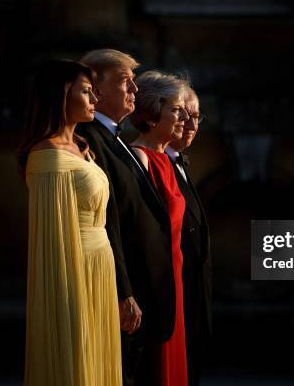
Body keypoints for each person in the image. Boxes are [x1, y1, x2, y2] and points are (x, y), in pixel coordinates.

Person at [17, 60, 122, 386]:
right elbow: (53, 243)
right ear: (62, 95)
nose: (95, 100)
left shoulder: (81, 149)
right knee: (76, 361)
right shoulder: (49, 157)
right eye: (87, 92)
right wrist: (65, 304)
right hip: (73, 272)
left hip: (99, 268)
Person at [76, 50, 175, 385]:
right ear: (97, 90)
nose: (135, 88)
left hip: (144, 291)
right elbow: (105, 222)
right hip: (124, 292)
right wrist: (123, 291)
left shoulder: (114, 138)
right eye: (124, 81)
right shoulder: (89, 140)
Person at [130, 70, 190, 386]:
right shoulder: (140, 157)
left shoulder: (166, 158)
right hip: (153, 283)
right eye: (176, 110)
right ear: (153, 112)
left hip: (174, 279)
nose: (183, 118)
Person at [165, 87, 212, 386]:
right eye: (185, 116)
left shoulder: (180, 160)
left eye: (197, 117)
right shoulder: (155, 162)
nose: (192, 126)